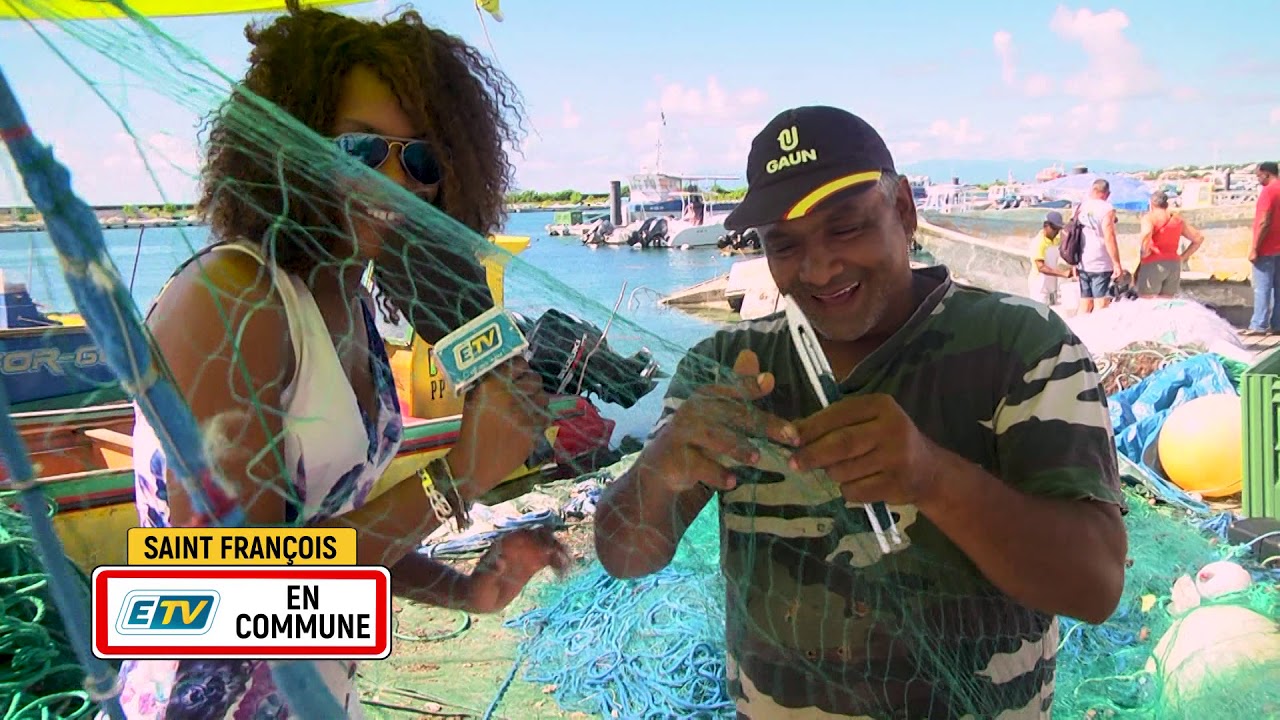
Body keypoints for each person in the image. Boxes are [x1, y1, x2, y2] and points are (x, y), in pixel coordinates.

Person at [108, 4, 568, 718]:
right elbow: (227, 586)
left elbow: (321, 538)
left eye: (421, 160)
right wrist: (456, 479)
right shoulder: (234, 297)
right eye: (360, 150)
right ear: (285, 147)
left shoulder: (350, 304)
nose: (395, 182)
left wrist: (464, 591)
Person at [594, 106, 1127, 719]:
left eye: (845, 228)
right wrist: (661, 470)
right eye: (784, 244)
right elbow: (625, 556)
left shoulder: (1022, 347)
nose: (819, 268)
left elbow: (1095, 586)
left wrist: (934, 478)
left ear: (903, 209)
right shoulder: (724, 368)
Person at [1135, 190, 1203, 299]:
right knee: (1166, 303)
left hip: (1154, 263)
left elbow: (1146, 234)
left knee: (1147, 302)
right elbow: (1198, 238)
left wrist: (1145, 252)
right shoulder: (1177, 219)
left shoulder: (1149, 218)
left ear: (1151, 203)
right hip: (1173, 264)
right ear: (1166, 204)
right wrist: (1182, 257)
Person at [1073, 178, 1123, 313]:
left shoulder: (1080, 207)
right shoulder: (1107, 209)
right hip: (1101, 262)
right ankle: (1098, 326)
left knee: (1085, 302)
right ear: (1107, 193)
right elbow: (1109, 237)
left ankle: (1078, 326)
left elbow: (1074, 235)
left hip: (1083, 261)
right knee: (1101, 304)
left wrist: (1074, 263)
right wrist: (1116, 263)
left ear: (1092, 190)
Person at [1246, 161, 1280, 335]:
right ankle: (1277, 324)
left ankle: (1259, 325)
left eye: (1258, 175)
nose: (1257, 179)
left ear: (1266, 173)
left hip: (1267, 247)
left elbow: (1264, 221)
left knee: (1262, 288)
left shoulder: (1268, 191)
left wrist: (1254, 248)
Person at [1027, 210, 1073, 305]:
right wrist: (1063, 273)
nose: (1056, 232)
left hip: (1052, 284)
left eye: (1058, 229)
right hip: (1039, 284)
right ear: (1046, 226)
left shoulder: (1056, 239)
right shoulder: (1039, 242)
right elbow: (1041, 267)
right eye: (1054, 228)